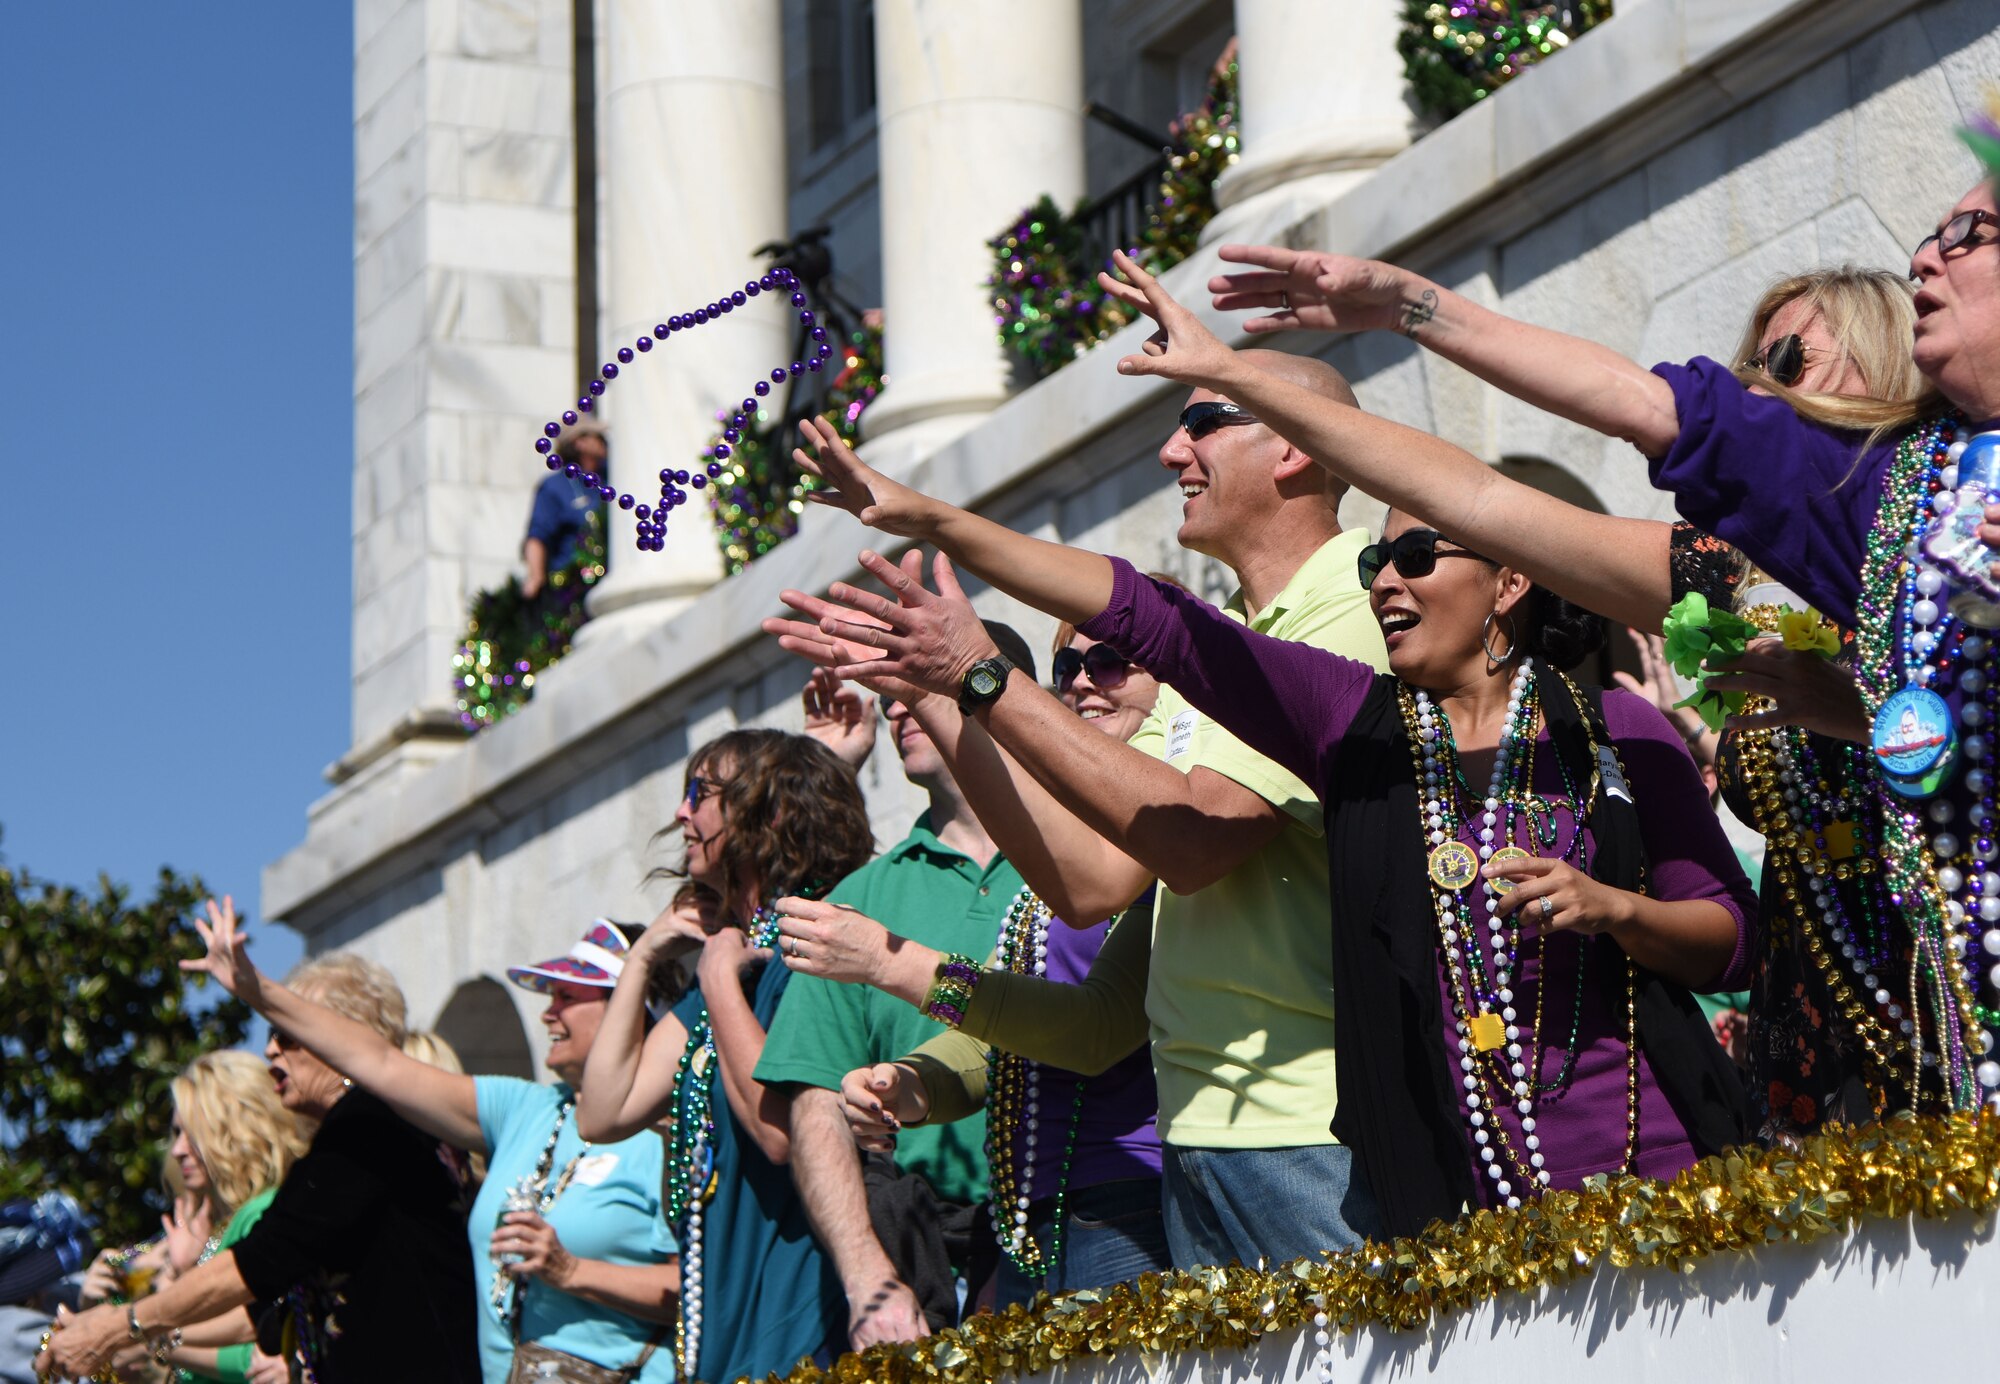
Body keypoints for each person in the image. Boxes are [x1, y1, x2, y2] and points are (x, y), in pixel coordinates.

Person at [1196, 187, 1996, 1118]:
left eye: (1787, 358)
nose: (1752, 386)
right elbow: (1496, 505)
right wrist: (1366, 331)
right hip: (1837, 1044)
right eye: (1746, 365)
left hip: (1938, 998)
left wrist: (1868, 710)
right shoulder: (1815, 538)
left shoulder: (1900, 503)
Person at [766, 356, 1394, 1274]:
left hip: (1305, 1124)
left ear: (1294, 445)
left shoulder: (1350, 607)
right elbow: (1090, 884)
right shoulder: (1230, 642)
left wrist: (977, 677)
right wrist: (938, 690)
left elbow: (1187, 842)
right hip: (1203, 1142)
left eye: (1203, 422)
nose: (1170, 448)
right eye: (1068, 670)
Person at [782, 624, 1172, 1302]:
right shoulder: (1077, 836)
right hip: (1030, 1220)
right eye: (1067, 665)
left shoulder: (1164, 817)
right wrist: (916, 1082)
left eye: (1108, 661)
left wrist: (887, 962)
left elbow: (1092, 1030)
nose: (1080, 681)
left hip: (1130, 1201)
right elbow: (1006, 1031)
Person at [176, 906, 680, 1384]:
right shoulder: (526, 1108)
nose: (549, 1013)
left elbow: (708, 1289)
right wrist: (256, 989)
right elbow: (381, 1064)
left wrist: (572, 1271)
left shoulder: (674, 1132)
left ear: (630, 1006)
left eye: (569, 996)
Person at [752, 624, 1037, 1344]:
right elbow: (813, 1100)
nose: (897, 707)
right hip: (923, 1263)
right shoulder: (858, 899)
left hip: (1082, 1231)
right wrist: (870, 1282)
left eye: (920, 686)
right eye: (888, 697)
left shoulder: (1086, 859)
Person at [579, 730, 874, 1384]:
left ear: (767, 814)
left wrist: (714, 979)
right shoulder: (734, 959)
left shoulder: (810, 944)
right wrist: (643, 958)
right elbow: (602, 1112)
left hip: (799, 1333)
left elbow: (780, 1130)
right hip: (725, 1339)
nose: (681, 814)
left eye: (700, 794)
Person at [39, 947, 480, 1384]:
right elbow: (264, 1308)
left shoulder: (369, 1125)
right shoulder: (362, 1126)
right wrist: (138, 1336)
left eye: (287, 1034)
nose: (269, 1049)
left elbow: (255, 1265)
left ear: (340, 1037)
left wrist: (120, 1326)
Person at [524, 425, 609, 600]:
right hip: (572, 589)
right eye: (598, 437)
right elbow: (538, 536)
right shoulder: (556, 486)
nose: (604, 442)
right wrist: (535, 577)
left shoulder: (611, 478)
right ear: (580, 443)